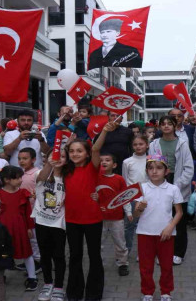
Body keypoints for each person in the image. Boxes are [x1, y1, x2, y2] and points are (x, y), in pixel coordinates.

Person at [62, 122, 112, 301]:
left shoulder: (92, 167)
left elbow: (97, 149)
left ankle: (94, 293)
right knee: (75, 256)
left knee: (94, 256)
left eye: (79, 151)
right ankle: (74, 292)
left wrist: (104, 130)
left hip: (92, 219)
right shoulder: (65, 169)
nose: (75, 154)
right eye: (72, 151)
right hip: (71, 219)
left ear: (87, 154)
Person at [135, 154, 183, 301]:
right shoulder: (141, 188)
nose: (154, 171)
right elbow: (136, 214)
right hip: (144, 233)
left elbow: (179, 212)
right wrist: (140, 208)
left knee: (166, 266)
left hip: (166, 234)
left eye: (159, 168)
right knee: (145, 267)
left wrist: (170, 227)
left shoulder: (173, 188)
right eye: (150, 168)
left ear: (166, 171)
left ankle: (166, 292)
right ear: (146, 171)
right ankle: (147, 292)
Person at [149, 115, 194, 265]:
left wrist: (177, 185)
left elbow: (188, 168)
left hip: (179, 184)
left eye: (170, 123)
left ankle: (178, 252)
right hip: (160, 182)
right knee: (161, 219)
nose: (167, 126)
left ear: (175, 126)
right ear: (159, 127)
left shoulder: (182, 143)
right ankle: (161, 252)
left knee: (178, 221)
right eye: (163, 124)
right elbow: (151, 165)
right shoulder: (154, 144)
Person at [34, 152, 68, 301]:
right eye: (54, 155)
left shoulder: (68, 178)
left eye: (62, 156)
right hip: (41, 220)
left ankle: (59, 287)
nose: (58, 158)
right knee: (44, 254)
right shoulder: (41, 173)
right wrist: (50, 163)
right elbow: (41, 177)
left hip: (59, 222)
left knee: (59, 255)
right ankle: (48, 283)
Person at [96, 153, 131, 276]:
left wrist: (128, 212)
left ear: (114, 164)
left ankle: (122, 263)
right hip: (99, 218)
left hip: (117, 218)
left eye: (107, 160)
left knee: (120, 242)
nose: (103, 162)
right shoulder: (95, 178)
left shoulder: (119, 179)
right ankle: (97, 263)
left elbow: (125, 197)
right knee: (98, 242)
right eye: (101, 160)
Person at [122, 135, 150, 252]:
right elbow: (125, 181)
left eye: (141, 144)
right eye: (135, 144)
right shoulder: (127, 162)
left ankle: (144, 250)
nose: (138, 147)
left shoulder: (151, 160)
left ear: (147, 145)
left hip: (148, 196)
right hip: (133, 198)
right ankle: (127, 249)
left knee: (146, 224)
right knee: (129, 225)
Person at [18, 147, 41, 266]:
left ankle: (38, 261)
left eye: (25, 158)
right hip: (25, 212)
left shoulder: (37, 173)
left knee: (34, 238)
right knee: (28, 237)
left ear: (33, 159)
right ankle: (30, 260)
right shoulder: (20, 173)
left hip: (35, 212)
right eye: (20, 159)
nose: (21, 161)